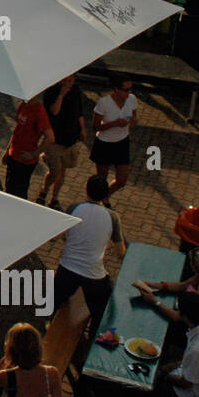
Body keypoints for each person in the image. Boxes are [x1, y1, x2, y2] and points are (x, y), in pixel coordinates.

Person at [51, 174, 127, 334]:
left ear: (86, 191)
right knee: (100, 312)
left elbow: (54, 237)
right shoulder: (113, 217)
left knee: (52, 303)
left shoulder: (73, 208)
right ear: (106, 194)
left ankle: (47, 329)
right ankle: (91, 338)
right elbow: (121, 252)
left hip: (67, 270)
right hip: (94, 275)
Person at [137, 248, 199, 345]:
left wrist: (154, 301)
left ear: (194, 267)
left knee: (170, 325)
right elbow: (183, 285)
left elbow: (177, 316)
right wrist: (155, 285)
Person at [36, 73, 86, 209]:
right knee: (54, 172)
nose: (68, 83)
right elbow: (54, 112)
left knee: (62, 171)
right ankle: (44, 191)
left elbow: (79, 112)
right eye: (65, 81)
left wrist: (82, 129)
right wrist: (61, 95)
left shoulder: (76, 90)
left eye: (71, 80)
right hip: (55, 142)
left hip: (70, 140)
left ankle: (54, 198)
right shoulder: (51, 92)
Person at [91, 76, 137, 204]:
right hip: (104, 143)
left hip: (122, 142)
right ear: (116, 89)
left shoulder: (131, 99)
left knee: (122, 180)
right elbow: (95, 127)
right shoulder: (104, 103)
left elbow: (134, 117)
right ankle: (99, 200)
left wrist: (132, 121)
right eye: (126, 90)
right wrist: (115, 123)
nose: (129, 93)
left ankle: (105, 196)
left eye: (131, 89)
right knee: (102, 178)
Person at [3, 93, 53, 200]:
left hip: (24, 161)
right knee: (9, 188)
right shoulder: (24, 105)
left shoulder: (39, 111)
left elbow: (50, 137)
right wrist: (8, 150)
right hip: (14, 155)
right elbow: (17, 130)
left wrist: (34, 154)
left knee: (19, 193)